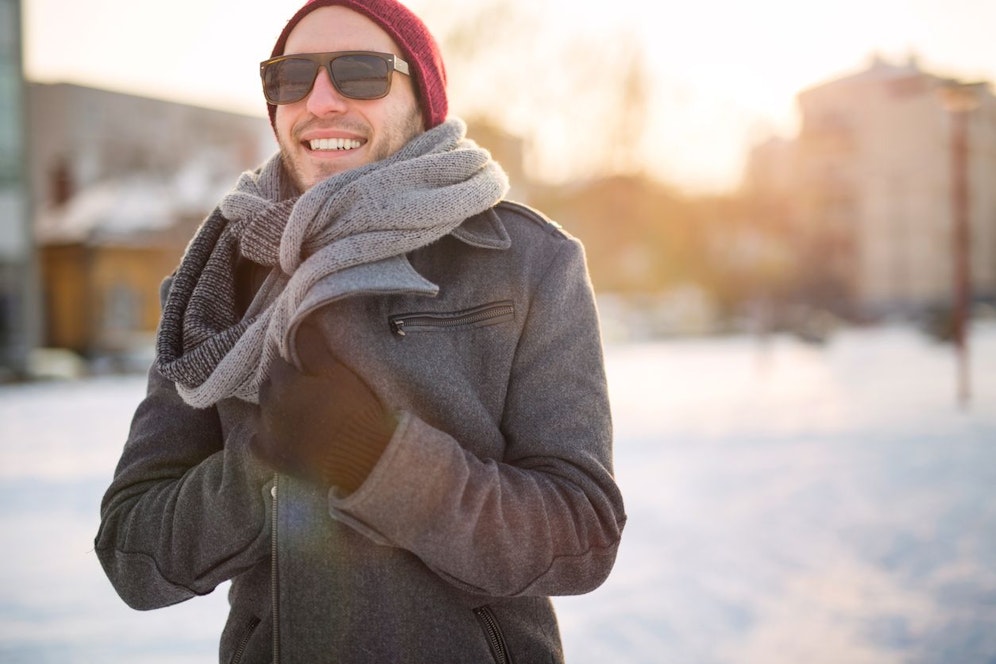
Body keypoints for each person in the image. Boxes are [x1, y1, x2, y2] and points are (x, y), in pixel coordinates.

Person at [94, 0, 626, 661]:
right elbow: (131, 551)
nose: (320, 99)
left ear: (423, 100)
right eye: (291, 78)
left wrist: (376, 459)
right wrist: (264, 464)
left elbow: (582, 536)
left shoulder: (527, 262)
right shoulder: (216, 280)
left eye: (361, 72)